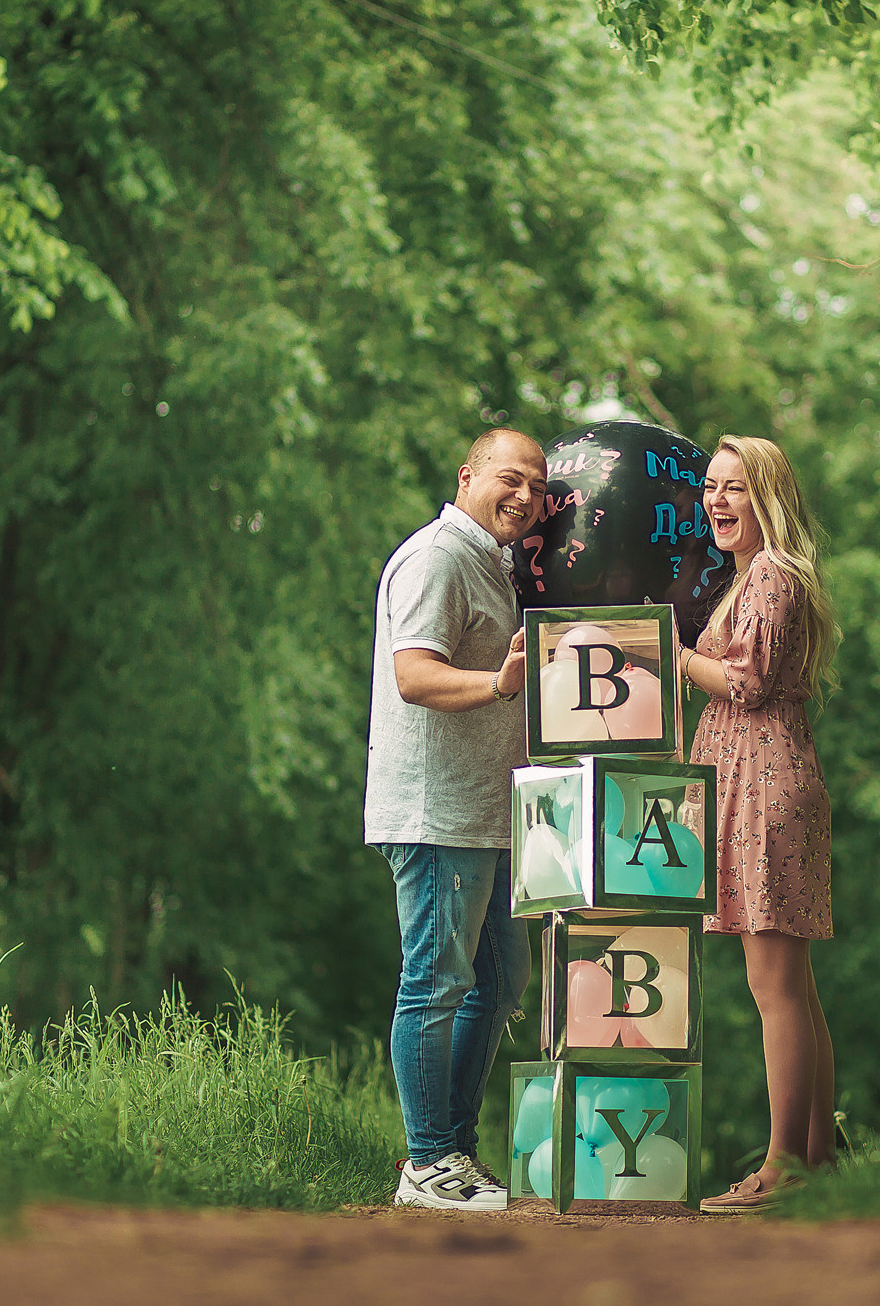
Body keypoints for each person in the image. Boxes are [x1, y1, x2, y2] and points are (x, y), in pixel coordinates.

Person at [365, 427, 548, 1211]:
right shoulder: (438, 555)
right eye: (510, 478)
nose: (525, 497)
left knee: (504, 977)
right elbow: (414, 674)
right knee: (434, 982)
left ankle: (454, 1152)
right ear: (468, 475)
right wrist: (502, 682)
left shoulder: (494, 564)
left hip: (490, 812)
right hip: (437, 811)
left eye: (538, 487)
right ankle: (426, 1160)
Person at [675, 434, 840, 1214]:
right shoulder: (751, 577)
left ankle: (781, 1168)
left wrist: (674, 657)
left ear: (766, 496)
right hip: (761, 778)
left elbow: (744, 680)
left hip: (765, 782)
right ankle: (815, 1160)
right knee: (792, 986)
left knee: (773, 985)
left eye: (735, 487)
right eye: (711, 485)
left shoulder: (770, 573)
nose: (717, 500)